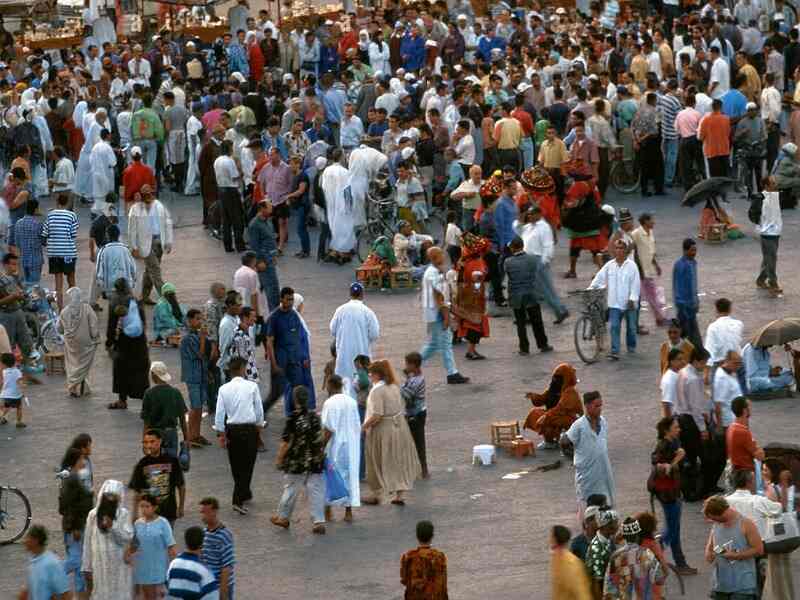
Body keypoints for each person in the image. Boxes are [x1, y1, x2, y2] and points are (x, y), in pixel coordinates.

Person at [362, 360, 422, 506]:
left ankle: (376, 493)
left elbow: (377, 414)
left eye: (371, 373)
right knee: (398, 460)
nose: (370, 376)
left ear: (377, 374)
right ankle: (399, 495)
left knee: (375, 460)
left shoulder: (377, 391)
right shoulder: (394, 386)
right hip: (400, 426)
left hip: (383, 429)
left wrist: (363, 426)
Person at [271, 385, 326, 533]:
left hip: (297, 460)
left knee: (290, 489)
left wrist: (279, 458)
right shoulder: (315, 417)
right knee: (316, 490)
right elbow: (320, 437)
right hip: (315, 459)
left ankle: (283, 517)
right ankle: (318, 521)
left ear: (294, 400)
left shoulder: (293, 419)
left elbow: (286, 442)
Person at [215, 356, 263, 515]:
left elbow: (220, 413)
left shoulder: (223, 389)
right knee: (248, 464)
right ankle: (238, 498)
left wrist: (221, 433)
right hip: (249, 429)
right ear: (243, 369)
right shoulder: (252, 387)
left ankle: (245, 492)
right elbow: (259, 411)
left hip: (232, 430)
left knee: (236, 465)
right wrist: (259, 427)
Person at [651, 416, 698, 575]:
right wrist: (677, 459)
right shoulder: (663, 446)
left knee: (674, 529)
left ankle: (679, 562)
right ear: (667, 430)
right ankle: (656, 552)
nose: (679, 429)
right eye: (676, 427)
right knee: (672, 530)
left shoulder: (674, 443)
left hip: (674, 492)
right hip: (668, 494)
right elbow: (660, 468)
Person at [419, 247, 469, 384]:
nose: (444, 257)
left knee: (434, 344)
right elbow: (439, 295)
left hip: (434, 313)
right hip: (437, 313)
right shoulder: (433, 273)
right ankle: (452, 373)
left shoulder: (434, 272)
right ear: (435, 257)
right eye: (441, 255)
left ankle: (415, 364)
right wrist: (446, 316)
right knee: (445, 343)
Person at [265, 287, 315, 416]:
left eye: (292, 299)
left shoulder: (294, 315)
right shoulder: (274, 317)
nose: (291, 302)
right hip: (280, 360)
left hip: (294, 360)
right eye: (288, 299)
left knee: (298, 388)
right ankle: (260, 415)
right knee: (276, 393)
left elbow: (299, 338)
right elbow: (269, 342)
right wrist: (274, 364)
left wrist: (303, 357)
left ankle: (298, 415)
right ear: (281, 299)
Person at [80, 479, 134, 600]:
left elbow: (127, 537)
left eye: (113, 496)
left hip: (119, 567)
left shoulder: (124, 514)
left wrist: (112, 527)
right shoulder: (93, 515)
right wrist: (86, 567)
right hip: (99, 566)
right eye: (108, 495)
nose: (110, 499)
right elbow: (87, 542)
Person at [563, 391, 616, 511]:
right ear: (587, 406)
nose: (599, 409)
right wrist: (576, 459)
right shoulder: (579, 426)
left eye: (601, 405)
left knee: (606, 502)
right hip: (587, 474)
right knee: (588, 507)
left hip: (603, 471)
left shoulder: (603, 422)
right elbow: (564, 442)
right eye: (596, 406)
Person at [588, 239, 640, 360]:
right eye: (616, 248)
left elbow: (636, 284)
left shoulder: (632, 266)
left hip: (629, 303)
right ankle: (615, 350)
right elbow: (599, 278)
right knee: (614, 326)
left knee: (631, 328)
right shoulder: (609, 265)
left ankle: (631, 346)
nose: (619, 250)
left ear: (626, 250)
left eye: (621, 248)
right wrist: (590, 288)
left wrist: (632, 299)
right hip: (614, 303)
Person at [703, 495, 764, 600]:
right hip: (720, 585)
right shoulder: (716, 523)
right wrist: (709, 553)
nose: (712, 521)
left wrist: (736, 555)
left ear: (722, 512)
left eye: (713, 518)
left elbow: (759, 550)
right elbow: (712, 546)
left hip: (743, 586)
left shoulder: (746, 524)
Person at [321, 374, 362, 521]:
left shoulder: (329, 403)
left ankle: (328, 510)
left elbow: (328, 429)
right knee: (349, 476)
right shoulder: (351, 401)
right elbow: (358, 425)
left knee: (330, 476)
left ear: (331, 385)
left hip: (335, 446)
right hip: (351, 445)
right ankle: (348, 512)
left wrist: (321, 447)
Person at [106, 278, 150, 410]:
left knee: (121, 370)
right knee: (140, 369)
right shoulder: (135, 300)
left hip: (123, 341)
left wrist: (109, 342)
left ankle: (122, 400)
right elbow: (143, 321)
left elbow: (111, 325)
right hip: (139, 340)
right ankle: (146, 400)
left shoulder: (114, 302)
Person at [504, 236, 552, 356]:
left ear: (513, 248)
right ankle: (543, 344)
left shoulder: (508, 262)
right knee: (537, 321)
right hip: (531, 293)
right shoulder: (532, 259)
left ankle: (524, 348)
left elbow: (507, 277)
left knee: (520, 323)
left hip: (516, 295)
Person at [128, 429, 186, 528]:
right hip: (150, 513)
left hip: (169, 511)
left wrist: (181, 507)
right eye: (146, 442)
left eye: (152, 441)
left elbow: (181, 485)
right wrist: (134, 513)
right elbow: (137, 491)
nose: (149, 446)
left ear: (160, 441)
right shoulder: (142, 464)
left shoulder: (172, 460)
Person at [329, 281, 380, 393]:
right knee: (361, 385)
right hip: (362, 355)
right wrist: (363, 338)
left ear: (350, 294)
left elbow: (332, 330)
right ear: (362, 294)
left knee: (343, 384)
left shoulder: (340, 310)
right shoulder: (368, 312)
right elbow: (375, 334)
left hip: (343, 354)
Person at [56, 447, 93, 600]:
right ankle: (52, 575)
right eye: (81, 459)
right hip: (75, 527)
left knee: (80, 564)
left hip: (80, 525)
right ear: (75, 461)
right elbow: (66, 506)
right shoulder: (72, 480)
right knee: (76, 560)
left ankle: (80, 593)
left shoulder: (75, 478)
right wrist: (75, 527)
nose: (84, 462)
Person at [127, 184, 173, 305]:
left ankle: (145, 296)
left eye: (150, 194)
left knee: (150, 271)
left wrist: (169, 241)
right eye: (145, 195)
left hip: (159, 242)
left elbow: (167, 223)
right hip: (145, 244)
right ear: (141, 196)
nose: (148, 196)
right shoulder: (135, 209)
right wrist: (133, 247)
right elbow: (131, 230)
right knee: (155, 270)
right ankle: (167, 298)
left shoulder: (159, 206)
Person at [603, 517, 667, 599]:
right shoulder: (647, 554)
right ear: (638, 535)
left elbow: (609, 585)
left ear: (624, 536)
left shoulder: (615, 557)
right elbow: (659, 579)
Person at [524, 363, 583, 450]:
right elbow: (543, 399)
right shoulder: (553, 388)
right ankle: (549, 441)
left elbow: (560, 409)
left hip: (570, 418)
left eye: (559, 377)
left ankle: (569, 439)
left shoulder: (570, 392)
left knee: (548, 418)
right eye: (555, 377)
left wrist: (546, 416)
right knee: (535, 413)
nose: (556, 380)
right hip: (557, 415)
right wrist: (534, 396)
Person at [57, 287, 100, 398]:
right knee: (83, 366)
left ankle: (74, 387)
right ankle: (80, 387)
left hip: (71, 344)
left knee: (72, 365)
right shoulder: (87, 308)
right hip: (86, 344)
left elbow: (59, 329)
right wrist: (95, 337)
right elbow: (94, 327)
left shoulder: (64, 311)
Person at [132, 493, 177, 600]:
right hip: (143, 569)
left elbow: (171, 546)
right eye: (141, 506)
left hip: (159, 569)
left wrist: (174, 568)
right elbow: (134, 545)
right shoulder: (137, 524)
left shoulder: (163, 523)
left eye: (147, 506)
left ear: (155, 507)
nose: (144, 509)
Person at [140, 361, 189, 459]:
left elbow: (146, 421)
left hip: (154, 434)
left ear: (154, 375)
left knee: (156, 464)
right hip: (171, 433)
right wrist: (186, 439)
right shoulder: (175, 393)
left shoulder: (149, 393)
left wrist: (145, 442)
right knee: (171, 463)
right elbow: (183, 419)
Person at [41, 191, 78, 310]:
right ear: (67, 202)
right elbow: (73, 235)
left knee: (58, 283)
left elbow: (45, 233)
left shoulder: (50, 215)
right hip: (68, 253)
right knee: (71, 280)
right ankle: (74, 306)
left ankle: (61, 309)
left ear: (57, 202)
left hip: (54, 253)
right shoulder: (72, 216)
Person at [180, 309, 209, 448]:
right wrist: (203, 338)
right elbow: (199, 355)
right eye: (197, 319)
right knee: (195, 407)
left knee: (199, 407)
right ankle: (191, 436)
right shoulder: (187, 338)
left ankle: (196, 434)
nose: (200, 322)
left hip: (201, 375)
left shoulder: (195, 335)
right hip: (192, 376)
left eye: (201, 319)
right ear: (190, 320)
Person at [165, 526, 220, 600]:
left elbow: (167, 589)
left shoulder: (173, 565)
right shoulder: (204, 571)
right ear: (202, 544)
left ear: (186, 542)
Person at [400, 520, 448, 600]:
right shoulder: (439, 557)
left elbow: (405, 581)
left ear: (417, 536)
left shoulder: (408, 557)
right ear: (432, 536)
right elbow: (443, 585)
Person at [20, 525, 71, 600]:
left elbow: (65, 594)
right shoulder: (34, 560)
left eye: (27, 538)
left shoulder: (52, 564)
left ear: (35, 541)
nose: (24, 541)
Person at [199, 497, 235, 600]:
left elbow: (227, 567)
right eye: (201, 513)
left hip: (221, 586)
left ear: (214, 512)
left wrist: (223, 593)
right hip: (208, 585)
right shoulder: (204, 533)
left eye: (204, 513)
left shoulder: (224, 535)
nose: (202, 516)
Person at [247, 200, 280, 312]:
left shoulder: (268, 221)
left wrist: (274, 255)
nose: (272, 209)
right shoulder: (254, 225)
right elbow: (254, 245)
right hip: (264, 261)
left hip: (270, 259)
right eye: (269, 207)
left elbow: (270, 239)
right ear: (262, 209)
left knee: (265, 287)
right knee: (272, 289)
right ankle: (274, 313)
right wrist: (259, 261)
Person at [400, 352, 428, 480]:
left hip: (416, 415)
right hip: (415, 413)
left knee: (418, 442)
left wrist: (396, 385)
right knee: (415, 441)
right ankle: (419, 469)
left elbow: (407, 395)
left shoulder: (417, 380)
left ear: (413, 365)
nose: (405, 366)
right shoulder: (414, 378)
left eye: (407, 364)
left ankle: (423, 470)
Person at [672, 238, 702, 349]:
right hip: (684, 308)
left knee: (693, 337)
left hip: (692, 307)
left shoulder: (693, 263)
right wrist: (681, 306)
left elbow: (694, 285)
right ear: (685, 251)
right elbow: (678, 287)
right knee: (687, 338)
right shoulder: (680, 265)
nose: (694, 253)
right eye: (692, 250)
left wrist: (696, 301)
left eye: (695, 250)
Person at [584, 509, 619, 600]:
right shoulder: (597, 549)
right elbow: (598, 581)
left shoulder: (607, 539)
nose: (618, 526)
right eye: (615, 523)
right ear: (607, 526)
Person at [550, 524, 591, 600]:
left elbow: (581, 593)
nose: (549, 539)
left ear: (554, 539)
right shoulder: (556, 557)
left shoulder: (571, 563)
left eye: (551, 537)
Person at [726, 396, 766, 473]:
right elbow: (760, 456)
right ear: (745, 410)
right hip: (746, 474)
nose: (751, 409)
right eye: (750, 406)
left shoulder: (730, 428)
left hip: (735, 470)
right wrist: (760, 449)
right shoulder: (742, 432)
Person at [95, 225, 136, 298]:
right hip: (125, 286)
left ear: (107, 236)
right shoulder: (125, 249)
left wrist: (102, 288)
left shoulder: (103, 250)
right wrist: (132, 283)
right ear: (119, 235)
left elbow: (99, 273)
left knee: (113, 307)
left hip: (110, 288)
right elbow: (133, 268)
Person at [756, 184, 782, 295]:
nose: (775, 184)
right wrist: (762, 225)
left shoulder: (777, 195)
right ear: (766, 185)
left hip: (776, 232)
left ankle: (761, 280)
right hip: (766, 233)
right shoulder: (760, 198)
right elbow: (753, 214)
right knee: (771, 259)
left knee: (769, 257)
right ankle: (773, 283)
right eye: (772, 182)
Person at [705, 298, 744, 374]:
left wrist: (706, 372)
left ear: (716, 310)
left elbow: (709, 349)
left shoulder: (713, 327)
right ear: (730, 310)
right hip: (736, 362)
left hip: (720, 364)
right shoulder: (739, 324)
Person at [13, 198, 43, 286]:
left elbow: (17, 243)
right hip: (36, 260)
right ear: (36, 209)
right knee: (35, 286)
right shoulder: (38, 224)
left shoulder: (18, 223)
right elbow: (44, 241)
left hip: (23, 259)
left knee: (26, 286)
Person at [0, 352, 23, 428]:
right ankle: (19, 422)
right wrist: (23, 390)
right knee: (19, 408)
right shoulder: (17, 372)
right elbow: (19, 383)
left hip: (5, 394)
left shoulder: (4, 372)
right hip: (15, 394)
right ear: (14, 361)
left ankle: (2, 417)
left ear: (4, 364)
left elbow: (3, 382)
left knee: (6, 407)